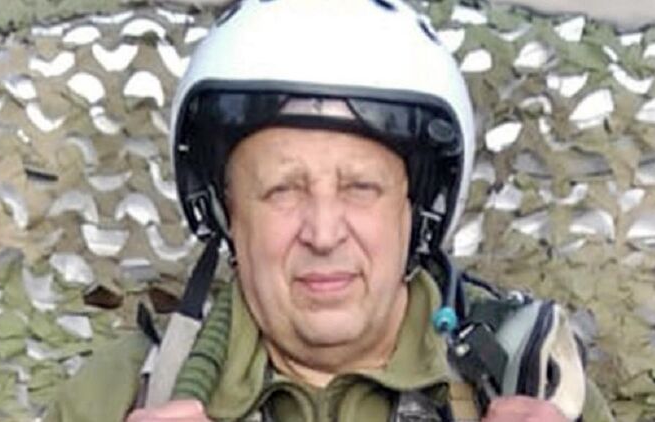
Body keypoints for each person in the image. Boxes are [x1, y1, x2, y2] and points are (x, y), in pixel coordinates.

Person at [46, 0, 615, 421]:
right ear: (227, 214)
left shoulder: (535, 383)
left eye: (360, 187)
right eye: (282, 190)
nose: (323, 233)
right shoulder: (117, 394)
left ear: (416, 211)